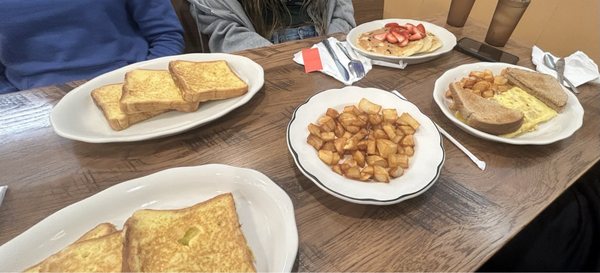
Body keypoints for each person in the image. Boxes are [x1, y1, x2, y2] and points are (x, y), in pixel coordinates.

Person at [0, 0, 185, 94]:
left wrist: (143, 84)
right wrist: (14, 102)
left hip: (129, 84)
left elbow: (166, 35)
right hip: (30, 106)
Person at [187, 0, 356, 53]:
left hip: (327, 45)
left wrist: (333, 51)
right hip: (259, 55)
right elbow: (225, 31)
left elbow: (342, 15)